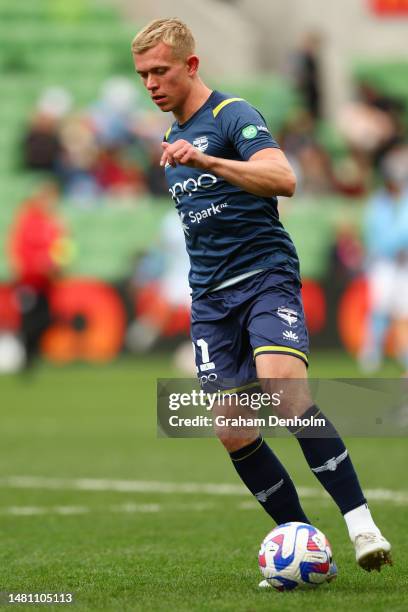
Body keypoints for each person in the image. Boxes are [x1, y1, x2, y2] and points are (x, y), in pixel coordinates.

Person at [131, 18, 392, 580]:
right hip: (210, 301)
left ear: (191, 66)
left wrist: (208, 161)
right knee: (233, 427)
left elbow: (282, 177)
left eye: (160, 71)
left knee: (284, 391)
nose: (150, 84)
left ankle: (361, 523)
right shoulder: (170, 137)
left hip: (264, 277)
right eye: (143, 75)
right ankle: (304, 545)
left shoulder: (232, 116)